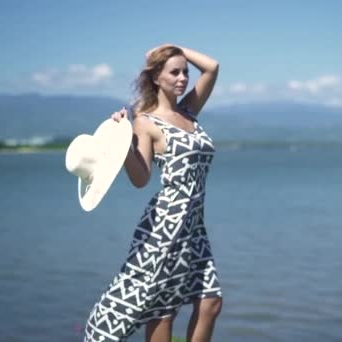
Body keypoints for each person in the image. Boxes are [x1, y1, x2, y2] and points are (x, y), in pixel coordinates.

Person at [83, 44, 222, 342]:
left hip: (194, 225)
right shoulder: (145, 122)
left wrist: (175, 48)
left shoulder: (188, 111)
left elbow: (211, 67)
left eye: (185, 72)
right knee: (162, 311)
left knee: (210, 303)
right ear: (157, 77)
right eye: (175, 72)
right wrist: (122, 144)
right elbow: (140, 178)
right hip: (166, 225)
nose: (183, 78)